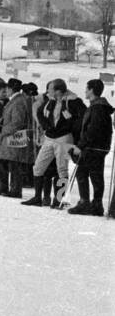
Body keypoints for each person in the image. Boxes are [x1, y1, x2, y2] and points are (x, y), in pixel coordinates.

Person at [23, 79, 85, 208]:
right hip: (49, 137)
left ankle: (59, 199)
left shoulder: (73, 102)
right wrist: (46, 126)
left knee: (62, 169)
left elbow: (81, 119)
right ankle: (37, 197)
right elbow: (40, 113)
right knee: (38, 167)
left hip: (65, 138)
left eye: (50, 89)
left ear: (58, 90)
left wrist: (71, 129)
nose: (47, 91)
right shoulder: (50, 101)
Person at [67, 79, 111, 215]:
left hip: (92, 148)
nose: (85, 91)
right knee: (93, 175)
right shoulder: (98, 106)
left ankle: (87, 203)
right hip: (97, 148)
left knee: (85, 174)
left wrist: (80, 145)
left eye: (87, 88)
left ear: (92, 90)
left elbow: (92, 130)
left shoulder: (97, 108)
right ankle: (94, 204)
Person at [0, 79, 31, 198]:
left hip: (14, 137)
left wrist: (3, 130)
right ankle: (4, 187)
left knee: (14, 163)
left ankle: (14, 189)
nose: (5, 93)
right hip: (11, 136)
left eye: (6, 90)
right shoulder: (15, 100)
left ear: (10, 89)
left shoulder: (18, 101)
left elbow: (17, 122)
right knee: (3, 161)